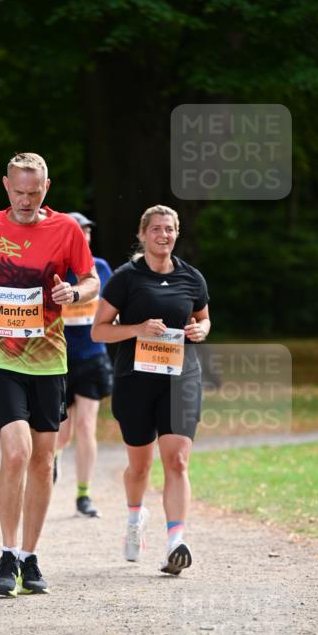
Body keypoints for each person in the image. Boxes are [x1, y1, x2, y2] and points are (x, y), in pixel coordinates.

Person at [0, 152, 99, 597]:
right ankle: (7, 552)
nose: (26, 200)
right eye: (18, 192)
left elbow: (90, 279)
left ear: (46, 188)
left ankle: (30, 557)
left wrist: (74, 290)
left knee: (42, 458)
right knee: (15, 451)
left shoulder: (66, 229)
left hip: (49, 357)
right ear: (6, 186)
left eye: (34, 193)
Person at [92, 205, 211, 574]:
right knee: (140, 466)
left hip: (181, 377)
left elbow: (204, 319)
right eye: (156, 229)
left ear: (177, 234)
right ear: (142, 234)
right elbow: (99, 330)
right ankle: (133, 519)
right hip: (135, 380)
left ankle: (175, 542)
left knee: (177, 460)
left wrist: (201, 331)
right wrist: (136, 329)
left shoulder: (192, 278)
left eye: (170, 229)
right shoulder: (126, 278)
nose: (164, 235)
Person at [54, 211, 114, 517]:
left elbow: (117, 305)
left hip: (92, 357)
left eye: (88, 232)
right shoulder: (55, 270)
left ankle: (83, 494)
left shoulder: (101, 269)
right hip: (59, 360)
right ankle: (54, 456)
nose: (85, 237)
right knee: (62, 434)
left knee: (87, 426)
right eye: (79, 231)